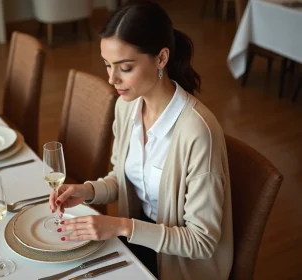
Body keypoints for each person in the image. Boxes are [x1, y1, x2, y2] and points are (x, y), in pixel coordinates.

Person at [49, 1, 233, 279]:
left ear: (161, 59)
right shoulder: (127, 106)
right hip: (140, 241)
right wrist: (86, 191)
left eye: (125, 68)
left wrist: (122, 227)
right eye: (107, 65)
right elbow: (122, 178)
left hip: (181, 265)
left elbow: (202, 242)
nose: (112, 79)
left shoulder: (198, 133)